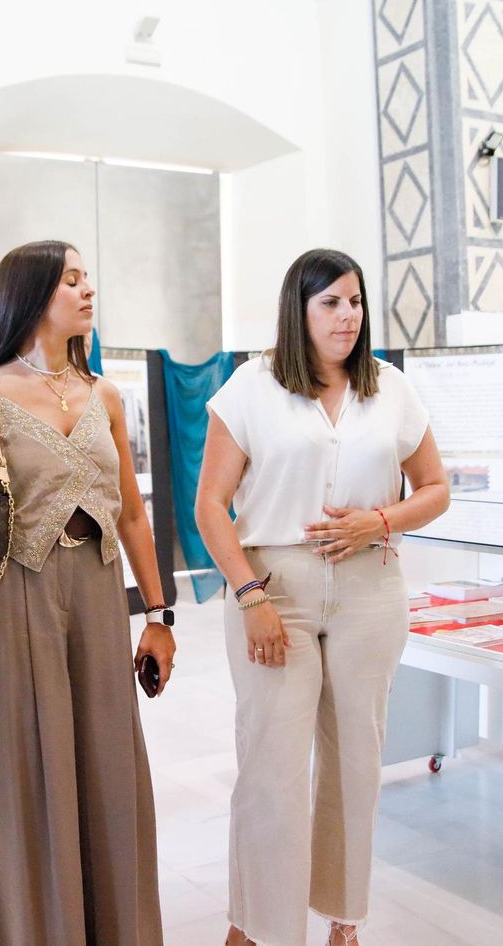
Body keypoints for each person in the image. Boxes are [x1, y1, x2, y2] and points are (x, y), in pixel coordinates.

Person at [0, 240, 175, 945]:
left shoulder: (107, 395)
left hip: (95, 602)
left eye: (87, 276)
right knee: (27, 777)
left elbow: (130, 513)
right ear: (31, 295)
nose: (87, 290)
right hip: (11, 604)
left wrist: (159, 615)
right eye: (71, 279)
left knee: (108, 773)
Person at [196, 248, 450, 946]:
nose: (347, 316)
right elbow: (210, 506)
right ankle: (257, 925)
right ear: (299, 310)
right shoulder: (252, 387)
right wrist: (251, 596)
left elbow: (435, 488)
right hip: (275, 585)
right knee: (271, 765)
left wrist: (382, 520)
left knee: (356, 763)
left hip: (370, 587)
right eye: (330, 303)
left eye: (355, 302)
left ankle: (345, 918)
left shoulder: (389, 388)